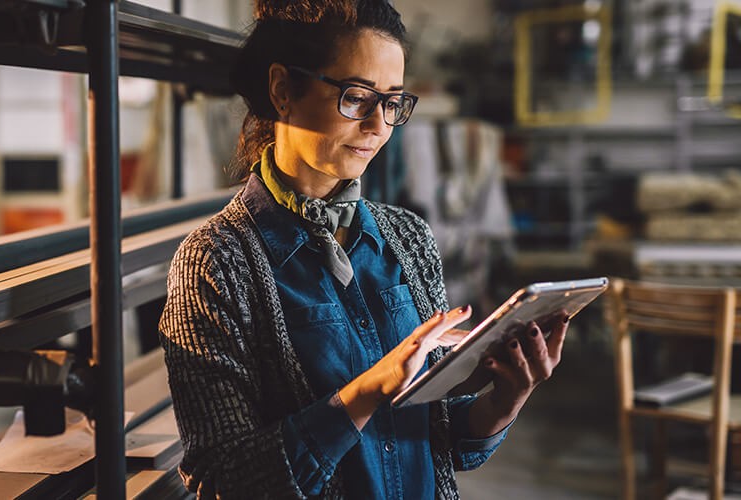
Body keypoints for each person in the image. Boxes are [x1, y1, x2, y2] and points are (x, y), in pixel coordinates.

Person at [158, 1, 569, 498]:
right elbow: (221, 479)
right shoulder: (215, 262)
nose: (379, 126)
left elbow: (434, 437)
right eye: (356, 97)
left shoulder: (408, 238)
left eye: (392, 102)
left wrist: (508, 395)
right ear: (283, 90)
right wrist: (367, 392)